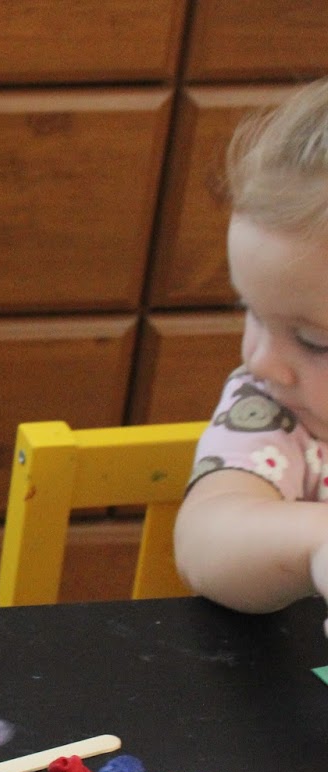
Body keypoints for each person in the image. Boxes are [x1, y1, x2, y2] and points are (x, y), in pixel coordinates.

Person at [175, 77, 328, 632]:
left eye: (315, 341)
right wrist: (319, 543)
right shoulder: (274, 411)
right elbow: (207, 537)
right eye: (252, 312)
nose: (261, 360)